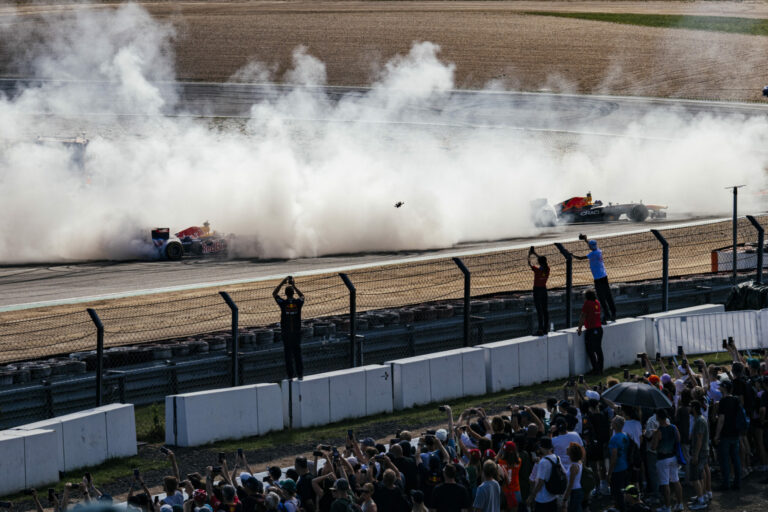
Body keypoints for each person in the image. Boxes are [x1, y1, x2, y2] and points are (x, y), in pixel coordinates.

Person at [573, 237, 616, 323]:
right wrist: (585, 240)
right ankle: (613, 313)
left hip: (598, 279)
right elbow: (591, 246)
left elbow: (580, 258)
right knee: (608, 296)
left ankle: (607, 315)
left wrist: (571, 255)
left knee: (601, 297)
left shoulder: (592, 254)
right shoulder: (599, 251)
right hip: (604, 276)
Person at [273, 275, 305, 380]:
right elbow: (302, 296)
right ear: (293, 293)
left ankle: (290, 376)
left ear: (286, 294)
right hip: (296, 333)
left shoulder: (284, 303)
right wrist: (294, 286)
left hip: (286, 333)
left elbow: (274, 294)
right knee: (297, 354)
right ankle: (300, 375)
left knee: (288, 355)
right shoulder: (297, 303)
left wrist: (282, 283)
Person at [651, 409, 682, 512]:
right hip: (673, 457)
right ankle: (680, 503)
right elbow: (678, 440)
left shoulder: (658, 431)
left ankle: (667, 506)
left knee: (665, 484)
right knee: (676, 480)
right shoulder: (674, 427)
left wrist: (653, 437)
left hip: (662, 459)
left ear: (658, 418)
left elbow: (653, 447)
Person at [714, 379, 742, 490]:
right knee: (736, 459)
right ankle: (737, 482)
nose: (719, 388)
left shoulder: (723, 401)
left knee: (724, 460)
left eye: (721, 386)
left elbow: (721, 419)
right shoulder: (736, 399)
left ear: (724, 388)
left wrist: (717, 435)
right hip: (735, 432)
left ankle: (726, 484)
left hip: (725, 433)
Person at [527, 438, 563, 512]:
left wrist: (532, 496)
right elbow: (564, 473)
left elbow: (540, 482)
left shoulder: (543, 462)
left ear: (542, 447)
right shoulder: (557, 458)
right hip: (553, 496)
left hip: (542, 499)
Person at [688, 401, 710, 510]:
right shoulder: (699, 419)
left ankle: (701, 500)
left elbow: (699, 439)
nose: (688, 408)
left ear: (694, 408)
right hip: (702, 451)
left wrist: (695, 455)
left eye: (690, 406)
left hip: (700, 452)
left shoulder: (699, 421)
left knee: (695, 477)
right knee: (700, 475)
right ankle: (701, 496)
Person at [577, 290, 603, 375]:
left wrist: (580, 328)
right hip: (599, 328)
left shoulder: (587, 303)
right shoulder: (597, 302)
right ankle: (600, 369)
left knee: (590, 350)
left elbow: (583, 316)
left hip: (592, 329)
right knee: (598, 349)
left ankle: (596, 369)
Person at [607, 416, 630, 512]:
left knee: (617, 492)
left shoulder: (614, 439)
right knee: (623, 490)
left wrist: (609, 472)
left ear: (615, 425)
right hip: (625, 466)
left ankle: (621, 508)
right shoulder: (625, 436)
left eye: (612, 422)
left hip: (617, 469)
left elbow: (613, 459)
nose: (611, 423)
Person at [528, 246, 550, 336]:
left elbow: (530, 263)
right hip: (544, 290)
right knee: (545, 310)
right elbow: (542, 262)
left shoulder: (537, 270)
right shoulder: (547, 269)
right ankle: (545, 329)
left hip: (537, 290)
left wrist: (530, 254)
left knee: (539, 310)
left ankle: (540, 329)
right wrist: (535, 253)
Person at [562, 443, 584, 512]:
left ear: (572, 453)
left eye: (569, 448)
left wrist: (565, 498)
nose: (567, 448)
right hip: (577, 491)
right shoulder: (578, 463)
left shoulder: (573, 466)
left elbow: (571, 484)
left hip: (574, 493)